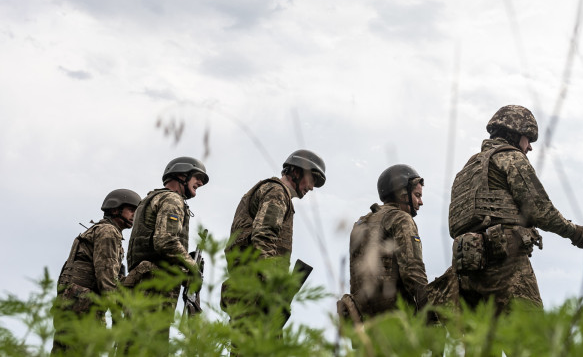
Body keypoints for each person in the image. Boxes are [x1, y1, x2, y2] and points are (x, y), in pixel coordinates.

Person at [447, 104, 583, 314]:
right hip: (505, 264)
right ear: (514, 134)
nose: (529, 147)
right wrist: (576, 233)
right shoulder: (510, 157)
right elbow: (540, 210)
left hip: (469, 270)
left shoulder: (468, 168)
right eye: (527, 138)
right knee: (531, 339)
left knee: (482, 344)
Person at [222, 149, 325, 340]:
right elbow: (263, 238)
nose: (311, 187)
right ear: (296, 171)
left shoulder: (272, 191)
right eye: (312, 179)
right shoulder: (277, 192)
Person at [125, 156, 208, 352]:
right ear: (181, 175)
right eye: (197, 177)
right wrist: (192, 266)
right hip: (156, 285)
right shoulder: (172, 199)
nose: (201, 183)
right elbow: (166, 241)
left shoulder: (150, 198)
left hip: (141, 282)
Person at [51, 188, 141, 354]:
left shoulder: (98, 230)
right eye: (131, 210)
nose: (135, 215)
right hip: (85, 308)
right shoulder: (108, 232)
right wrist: (117, 314)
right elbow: (106, 276)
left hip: (71, 304)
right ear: (116, 209)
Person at [342, 164, 429, 321]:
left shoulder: (361, 223)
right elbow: (413, 272)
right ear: (402, 194)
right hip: (396, 322)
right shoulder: (401, 219)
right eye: (417, 195)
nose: (420, 202)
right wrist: (431, 316)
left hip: (366, 322)